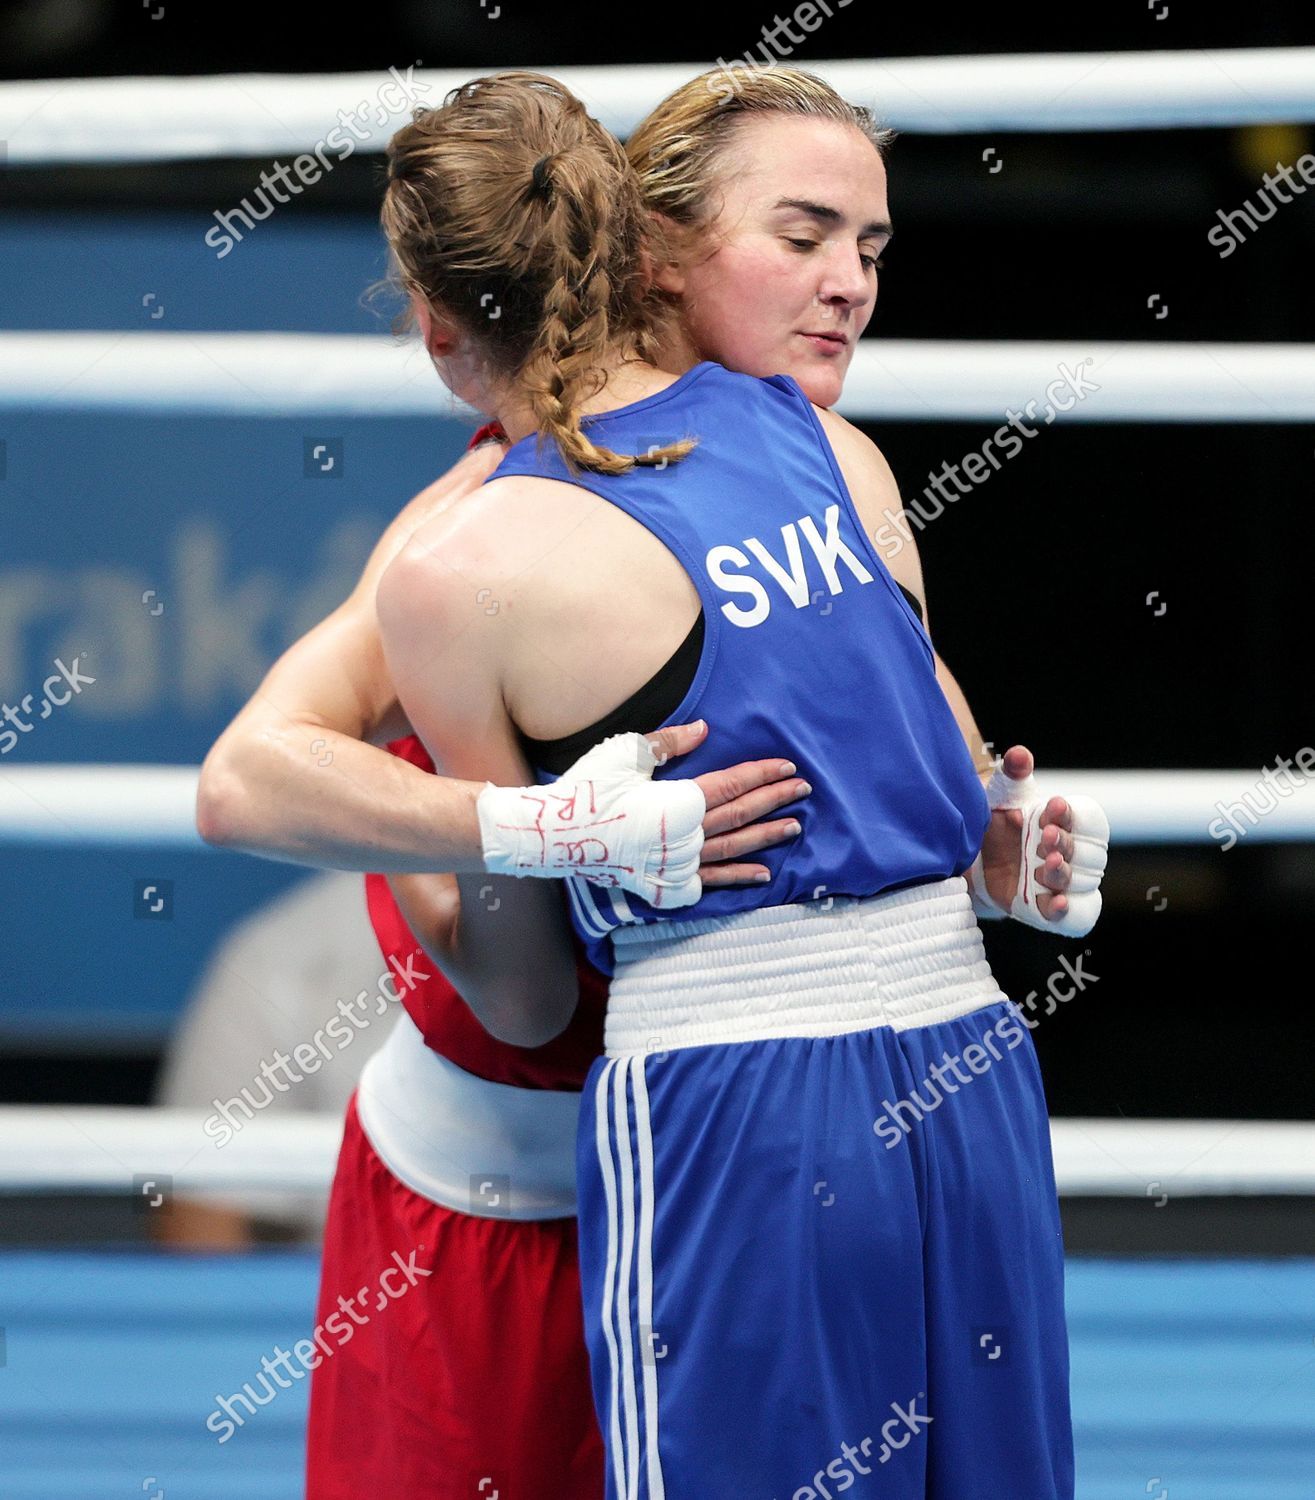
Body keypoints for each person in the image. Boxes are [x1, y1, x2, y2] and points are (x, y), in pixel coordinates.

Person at [197, 65, 1105, 1499]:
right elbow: (249, 778)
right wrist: (538, 828)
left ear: (438, 323)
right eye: (802, 240)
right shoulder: (471, 537)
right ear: (647, 250)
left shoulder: (821, 451)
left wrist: (986, 846)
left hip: (744, 1115)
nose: (848, 288)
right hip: (521, 1162)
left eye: (869, 249)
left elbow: (938, 763)